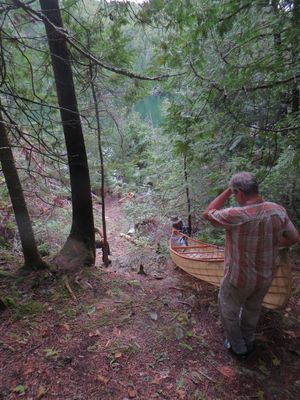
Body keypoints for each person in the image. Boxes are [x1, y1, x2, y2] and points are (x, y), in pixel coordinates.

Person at [203, 172, 299, 360]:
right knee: (252, 309)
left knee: (228, 310)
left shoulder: (236, 215)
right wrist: (272, 243)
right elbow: (294, 238)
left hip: (238, 277)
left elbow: (208, 214)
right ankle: (249, 341)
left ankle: (238, 348)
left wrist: (226, 192)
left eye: (234, 192)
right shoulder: (277, 209)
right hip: (265, 275)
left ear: (238, 192)